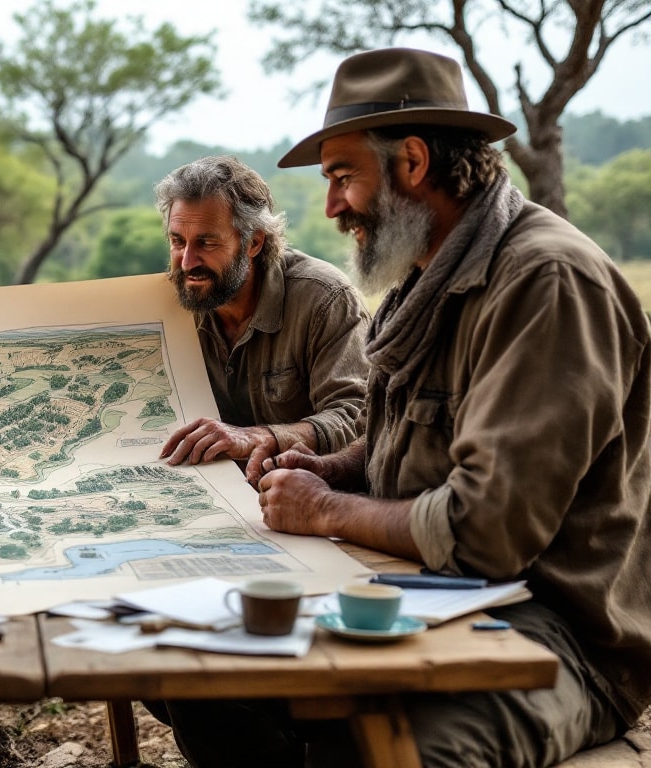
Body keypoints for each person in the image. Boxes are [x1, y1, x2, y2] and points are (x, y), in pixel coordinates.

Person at [165, 48, 651, 768]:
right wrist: (332, 469)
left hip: (551, 634)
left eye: (341, 177)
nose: (330, 207)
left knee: (382, 753)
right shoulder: (426, 275)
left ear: (414, 162)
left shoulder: (544, 281)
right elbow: (413, 441)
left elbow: (487, 531)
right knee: (199, 688)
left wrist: (323, 510)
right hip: (426, 595)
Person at [154, 156, 369, 485]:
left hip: (307, 494)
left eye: (207, 243)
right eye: (177, 241)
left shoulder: (326, 300)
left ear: (253, 242)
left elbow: (357, 415)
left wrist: (262, 437)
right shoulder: (159, 305)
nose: (187, 262)